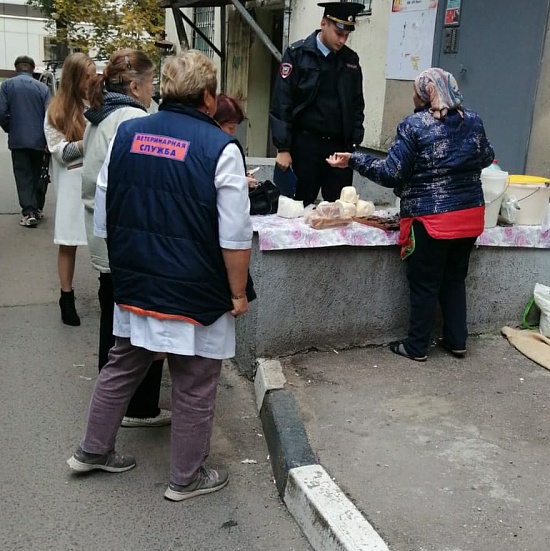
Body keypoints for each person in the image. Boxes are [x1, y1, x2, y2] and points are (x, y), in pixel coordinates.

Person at [67, 50, 253, 503]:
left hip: (138, 280)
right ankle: (185, 478)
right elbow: (234, 235)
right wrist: (237, 293)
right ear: (209, 98)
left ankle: (92, 450)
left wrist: (126, 267)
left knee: (123, 362)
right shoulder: (220, 148)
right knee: (194, 380)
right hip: (196, 288)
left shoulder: (128, 132)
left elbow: (106, 212)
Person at [327, 68, 494, 361]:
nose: (414, 96)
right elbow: (485, 157)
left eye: (417, 91)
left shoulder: (414, 126)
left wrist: (355, 160)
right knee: (454, 280)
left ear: (426, 95)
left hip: (431, 220)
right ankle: (457, 341)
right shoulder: (474, 121)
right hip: (469, 218)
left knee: (425, 283)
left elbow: (391, 172)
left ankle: (416, 346)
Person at [81, 48, 170, 428]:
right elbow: (146, 183)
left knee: (112, 323)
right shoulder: (134, 119)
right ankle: (138, 407)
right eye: (152, 83)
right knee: (137, 328)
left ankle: (114, 402)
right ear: (135, 85)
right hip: (130, 242)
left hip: (106, 237)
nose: (154, 91)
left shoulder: (100, 115)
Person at [269, 2, 365, 206]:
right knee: (297, 210)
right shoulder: (298, 54)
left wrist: (353, 146)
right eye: (338, 33)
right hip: (305, 147)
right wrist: (283, 148)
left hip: (338, 148)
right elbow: (282, 102)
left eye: (346, 35)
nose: (342, 40)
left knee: (339, 211)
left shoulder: (350, 61)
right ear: (323, 24)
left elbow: (357, 106)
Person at [44, 53, 96, 326]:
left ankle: (106, 289)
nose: (93, 80)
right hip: (71, 186)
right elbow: (59, 152)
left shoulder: (98, 103)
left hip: (97, 181)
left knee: (103, 237)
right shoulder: (57, 110)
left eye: (94, 74)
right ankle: (67, 297)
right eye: (88, 76)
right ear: (75, 78)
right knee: (69, 242)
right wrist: (86, 144)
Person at [0, 55, 50, 227]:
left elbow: (1, 112)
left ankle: (29, 212)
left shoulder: (6, 85)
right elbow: (49, 116)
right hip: (39, 139)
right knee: (38, 173)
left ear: (16, 68)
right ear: (32, 68)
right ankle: (37, 207)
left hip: (18, 139)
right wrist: (47, 139)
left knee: (23, 175)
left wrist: (10, 127)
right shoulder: (42, 88)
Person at [214, 93, 257, 188]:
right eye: (230, 127)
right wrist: (242, 183)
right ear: (217, 123)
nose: (233, 132)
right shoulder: (227, 148)